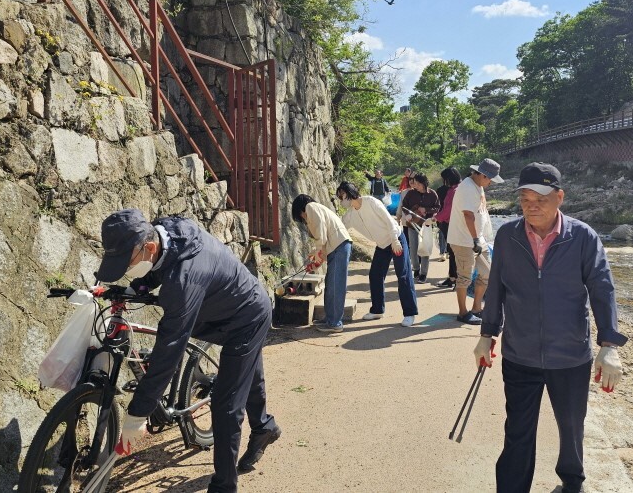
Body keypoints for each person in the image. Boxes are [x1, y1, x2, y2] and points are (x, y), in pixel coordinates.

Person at [96, 209, 280, 493]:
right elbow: (159, 265)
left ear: (149, 247)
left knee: (226, 403)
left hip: (248, 318)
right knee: (246, 375)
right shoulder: (165, 233)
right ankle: (265, 427)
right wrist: (139, 285)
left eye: (126, 263)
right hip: (217, 309)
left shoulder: (184, 280)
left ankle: (224, 486)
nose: (124, 269)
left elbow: (170, 351)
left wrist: (138, 412)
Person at [474, 162, 627, 493]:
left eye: (541, 198)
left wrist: (609, 345)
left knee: (571, 429)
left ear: (560, 197)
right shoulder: (508, 236)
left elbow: (602, 289)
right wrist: (487, 335)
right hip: (520, 354)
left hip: (570, 355)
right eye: (525, 198)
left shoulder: (582, 237)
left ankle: (572, 485)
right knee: (517, 432)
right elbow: (496, 287)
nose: (532, 205)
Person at [336, 181, 418, 327]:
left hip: (396, 238)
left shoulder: (371, 202)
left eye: (341, 196)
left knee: (403, 275)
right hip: (382, 245)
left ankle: (409, 313)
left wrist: (395, 240)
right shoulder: (350, 215)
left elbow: (389, 220)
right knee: (375, 275)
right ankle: (377, 310)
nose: (341, 201)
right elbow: (339, 231)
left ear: (349, 194)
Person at [447, 158, 501, 324]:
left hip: (478, 239)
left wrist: (480, 238)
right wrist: (475, 239)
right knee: (465, 277)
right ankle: (463, 313)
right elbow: (468, 215)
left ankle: (477, 308)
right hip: (464, 240)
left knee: (487, 273)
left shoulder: (478, 185)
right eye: (490, 179)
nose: (491, 183)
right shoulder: (467, 188)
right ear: (483, 175)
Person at [291, 194, 353, 334]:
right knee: (331, 285)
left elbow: (321, 234)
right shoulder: (317, 208)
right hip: (337, 247)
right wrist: (316, 260)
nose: (303, 218)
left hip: (339, 246)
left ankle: (335, 323)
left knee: (336, 286)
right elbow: (323, 243)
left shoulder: (310, 207)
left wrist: (317, 253)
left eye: (300, 215)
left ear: (300, 209)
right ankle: (330, 319)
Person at [396, 173, 440, 282]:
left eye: (417, 183)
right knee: (413, 248)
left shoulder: (432, 194)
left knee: (425, 249)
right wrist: (407, 214)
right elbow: (404, 205)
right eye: (414, 183)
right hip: (412, 225)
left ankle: (423, 274)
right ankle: (416, 269)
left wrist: (426, 210)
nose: (415, 185)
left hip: (426, 225)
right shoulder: (411, 193)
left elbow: (437, 208)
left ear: (424, 183)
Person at [434, 166, 462, 286]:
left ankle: (453, 278)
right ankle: (453, 277)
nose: (444, 182)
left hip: (452, 225)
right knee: (453, 252)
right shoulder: (459, 188)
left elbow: (448, 210)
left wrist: (436, 218)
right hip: (455, 225)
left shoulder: (454, 191)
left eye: (445, 179)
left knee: (453, 252)